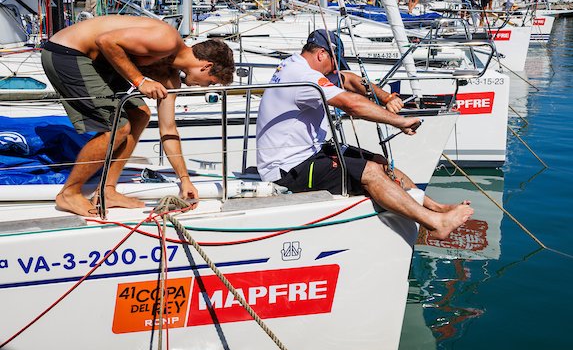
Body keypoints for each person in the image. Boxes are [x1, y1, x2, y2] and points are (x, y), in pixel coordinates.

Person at [256, 30, 473, 240]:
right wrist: (399, 122)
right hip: (287, 168)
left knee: (380, 162)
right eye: (333, 64)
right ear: (321, 54)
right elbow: (351, 104)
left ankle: (438, 208)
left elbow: (348, 79)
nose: (333, 72)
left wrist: (386, 98)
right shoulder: (304, 76)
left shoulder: (296, 65)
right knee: (370, 171)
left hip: (308, 153)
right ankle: (435, 224)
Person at [41, 15, 235, 216]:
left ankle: (107, 190)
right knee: (118, 127)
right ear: (207, 66)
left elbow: (168, 130)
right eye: (211, 82)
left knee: (140, 115)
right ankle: (69, 193)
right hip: (67, 52)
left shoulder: (171, 79)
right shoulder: (167, 40)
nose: (206, 87)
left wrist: (184, 179)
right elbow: (105, 41)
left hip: (100, 62)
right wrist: (140, 82)